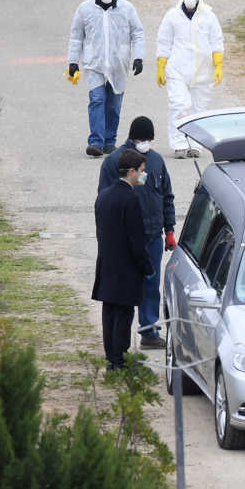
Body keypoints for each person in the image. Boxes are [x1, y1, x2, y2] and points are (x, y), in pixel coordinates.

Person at [99, 116, 176, 349]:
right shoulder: (114, 162)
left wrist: (169, 229)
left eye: (148, 139)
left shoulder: (156, 161)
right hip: (126, 239)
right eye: (142, 139)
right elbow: (105, 202)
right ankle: (117, 341)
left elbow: (166, 195)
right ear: (132, 138)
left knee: (151, 285)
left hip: (152, 236)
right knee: (123, 289)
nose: (145, 143)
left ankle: (149, 332)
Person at [67, 0, 145, 157]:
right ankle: (96, 142)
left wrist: (139, 58)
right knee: (97, 99)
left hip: (118, 65)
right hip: (94, 63)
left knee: (113, 105)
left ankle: (110, 142)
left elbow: (138, 33)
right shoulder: (85, 9)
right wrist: (73, 62)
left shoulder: (126, 8)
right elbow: (76, 36)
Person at [93, 149, 154, 370]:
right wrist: (146, 266)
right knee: (123, 315)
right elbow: (136, 240)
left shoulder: (104, 196)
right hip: (126, 267)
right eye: (141, 171)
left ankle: (112, 357)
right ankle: (120, 359)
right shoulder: (131, 199)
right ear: (131, 171)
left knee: (109, 313)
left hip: (107, 263)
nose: (143, 175)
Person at [156, 0, 224, 158]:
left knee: (198, 109)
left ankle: (195, 144)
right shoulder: (172, 16)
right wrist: (161, 65)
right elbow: (164, 41)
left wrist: (218, 65)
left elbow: (217, 41)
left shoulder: (209, 16)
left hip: (203, 71)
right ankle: (179, 144)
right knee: (179, 106)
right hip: (177, 69)